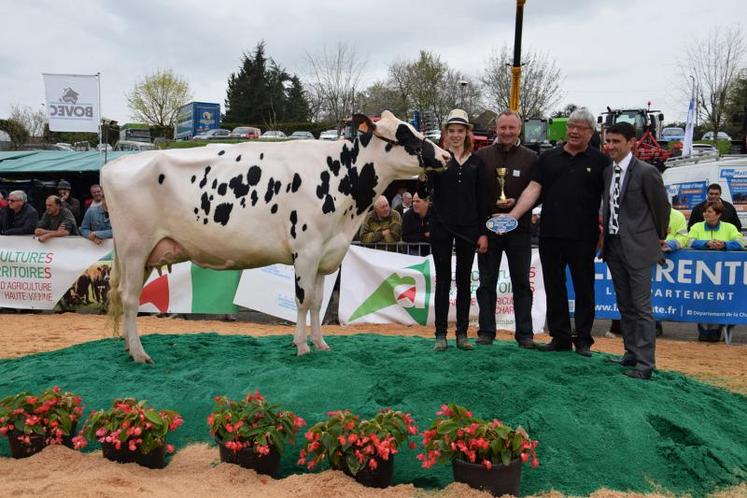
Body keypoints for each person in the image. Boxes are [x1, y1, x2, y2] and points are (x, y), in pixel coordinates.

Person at [508, 108, 611, 357]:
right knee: (554, 286)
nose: (574, 131)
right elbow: (533, 189)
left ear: (590, 132)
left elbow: (609, 200)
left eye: (581, 128)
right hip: (551, 233)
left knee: (584, 287)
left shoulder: (601, 162)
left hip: (584, 236)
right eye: (571, 126)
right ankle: (560, 336)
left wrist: (606, 231)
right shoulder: (548, 158)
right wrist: (514, 215)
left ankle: (584, 339)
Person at [601, 123, 670, 380]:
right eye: (608, 141)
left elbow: (661, 208)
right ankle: (630, 352)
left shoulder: (647, 172)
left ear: (632, 143)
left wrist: (658, 237)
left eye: (616, 141)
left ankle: (645, 363)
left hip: (639, 248)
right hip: (614, 245)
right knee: (625, 305)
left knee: (642, 308)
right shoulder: (608, 172)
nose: (611, 146)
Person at [421, 109, 487, 351]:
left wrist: (482, 232)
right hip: (441, 226)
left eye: (460, 131)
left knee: (463, 281)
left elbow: (482, 200)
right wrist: (423, 175)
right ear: (445, 134)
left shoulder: (478, 162)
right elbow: (422, 192)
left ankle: (462, 333)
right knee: (443, 281)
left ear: (467, 133)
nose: (456, 135)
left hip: (469, 229)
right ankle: (440, 334)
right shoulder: (439, 160)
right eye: (452, 131)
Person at [474, 111, 538, 348]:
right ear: (496, 129)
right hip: (489, 229)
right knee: (486, 283)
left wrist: (516, 206)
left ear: (519, 129)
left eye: (512, 128)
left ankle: (525, 334)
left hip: (519, 230)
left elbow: (537, 192)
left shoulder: (532, 158)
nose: (507, 132)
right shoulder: (481, 156)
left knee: (521, 283)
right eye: (503, 128)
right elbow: (476, 195)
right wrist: (481, 228)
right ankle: (486, 332)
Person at [687, 200, 745, 342]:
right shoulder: (696, 226)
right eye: (705, 211)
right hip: (700, 275)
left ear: (718, 214)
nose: (705, 214)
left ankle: (716, 330)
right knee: (701, 301)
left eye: (709, 212)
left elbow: (741, 242)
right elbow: (689, 241)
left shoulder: (730, 227)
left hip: (722, 276)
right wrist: (706, 243)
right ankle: (702, 330)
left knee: (719, 302)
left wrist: (725, 244)